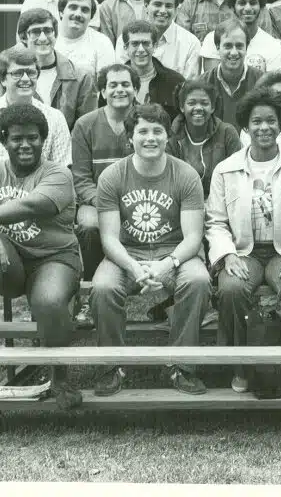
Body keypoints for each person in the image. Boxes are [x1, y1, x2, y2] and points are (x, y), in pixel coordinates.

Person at [0, 104, 83, 409]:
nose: (25, 144)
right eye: (17, 138)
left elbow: (32, 207)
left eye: (33, 138)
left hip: (55, 258)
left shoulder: (58, 175)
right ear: (4, 140)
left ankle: (60, 378)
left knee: (48, 301)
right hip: (10, 262)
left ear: (43, 140)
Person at [91, 104, 210, 397]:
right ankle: (112, 366)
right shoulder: (111, 176)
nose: (150, 138)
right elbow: (108, 238)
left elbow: (193, 237)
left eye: (157, 131)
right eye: (142, 131)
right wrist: (134, 267)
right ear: (130, 137)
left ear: (168, 136)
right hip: (126, 253)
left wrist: (165, 265)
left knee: (198, 281)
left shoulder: (185, 175)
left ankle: (182, 365)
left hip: (176, 252)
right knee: (103, 287)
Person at [0, 46, 73, 333]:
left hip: (41, 217)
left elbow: (45, 191)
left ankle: (58, 364)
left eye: (31, 72)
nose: (25, 79)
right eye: (17, 73)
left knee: (48, 301)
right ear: (2, 78)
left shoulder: (53, 118)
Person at [206, 88, 281, 395]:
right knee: (230, 290)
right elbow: (215, 222)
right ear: (246, 126)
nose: (264, 127)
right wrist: (228, 256)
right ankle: (241, 367)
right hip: (244, 253)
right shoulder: (226, 169)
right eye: (256, 121)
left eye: (271, 121)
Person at [71, 63, 138, 324]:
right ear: (102, 90)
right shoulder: (85, 125)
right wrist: (106, 204)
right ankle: (88, 294)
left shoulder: (143, 122)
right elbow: (81, 178)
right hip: (96, 201)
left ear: (135, 89)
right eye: (113, 85)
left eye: (125, 84)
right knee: (88, 225)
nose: (120, 89)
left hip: (137, 200)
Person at [15, 8, 97, 130]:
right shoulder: (12, 75)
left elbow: (86, 130)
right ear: (23, 38)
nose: (43, 38)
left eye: (48, 31)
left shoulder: (82, 77)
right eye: (35, 32)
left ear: (56, 35)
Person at [166, 79, 242, 199]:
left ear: (212, 108)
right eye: (191, 103)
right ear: (182, 107)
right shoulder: (171, 136)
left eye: (204, 103)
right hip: (182, 202)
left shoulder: (227, 133)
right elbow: (168, 181)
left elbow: (237, 177)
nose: (198, 108)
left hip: (221, 202)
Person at [116, 0, 201, 79]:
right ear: (146, 6)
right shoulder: (127, 38)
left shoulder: (191, 43)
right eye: (157, 4)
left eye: (168, 6)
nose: (163, 11)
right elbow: (121, 79)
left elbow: (189, 87)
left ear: (176, 10)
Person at [199, 0, 281, 73]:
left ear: (260, 7)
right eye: (242, 3)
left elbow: (272, 84)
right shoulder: (213, 39)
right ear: (232, 7)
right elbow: (212, 82)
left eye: (253, 3)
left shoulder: (273, 45)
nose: (248, 8)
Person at [107, 20, 184, 121]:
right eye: (134, 44)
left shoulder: (175, 82)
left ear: (155, 46)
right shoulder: (111, 81)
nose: (141, 49)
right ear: (126, 47)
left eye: (146, 43)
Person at [199, 17, 263, 129]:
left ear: (247, 47)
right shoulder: (202, 84)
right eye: (228, 46)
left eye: (239, 46)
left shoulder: (262, 82)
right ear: (218, 47)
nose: (234, 52)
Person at [55, 0, 116, 78]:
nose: (78, 14)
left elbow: (106, 82)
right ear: (61, 12)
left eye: (84, 10)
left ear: (90, 18)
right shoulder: (49, 39)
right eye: (73, 7)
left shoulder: (102, 42)